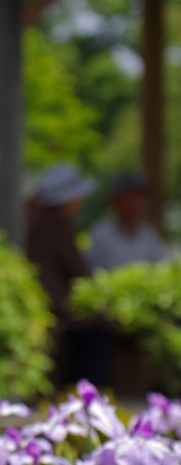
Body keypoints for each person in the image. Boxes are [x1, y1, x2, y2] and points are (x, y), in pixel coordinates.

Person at [28, 164, 113, 387]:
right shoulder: (57, 226)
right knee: (101, 332)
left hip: (51, 302)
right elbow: (79, 271)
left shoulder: (41, 221)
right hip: (57, 307)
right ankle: (82, 391)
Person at [88, 171, 166, 271]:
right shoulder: (100, 237)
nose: (136, 201)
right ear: (114, 200)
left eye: (140, 196)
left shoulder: (150, 235)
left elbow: (162, 266)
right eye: (130, 196)